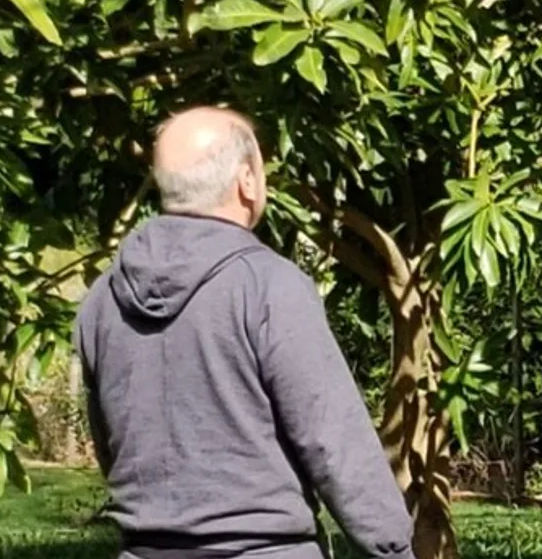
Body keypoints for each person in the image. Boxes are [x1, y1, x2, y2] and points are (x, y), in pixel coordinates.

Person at [74, 106, 413, 559]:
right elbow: (334, 442)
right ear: (247, 181)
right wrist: (393, 550)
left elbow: (111, 442)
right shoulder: (269, 287)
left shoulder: (103, 298)